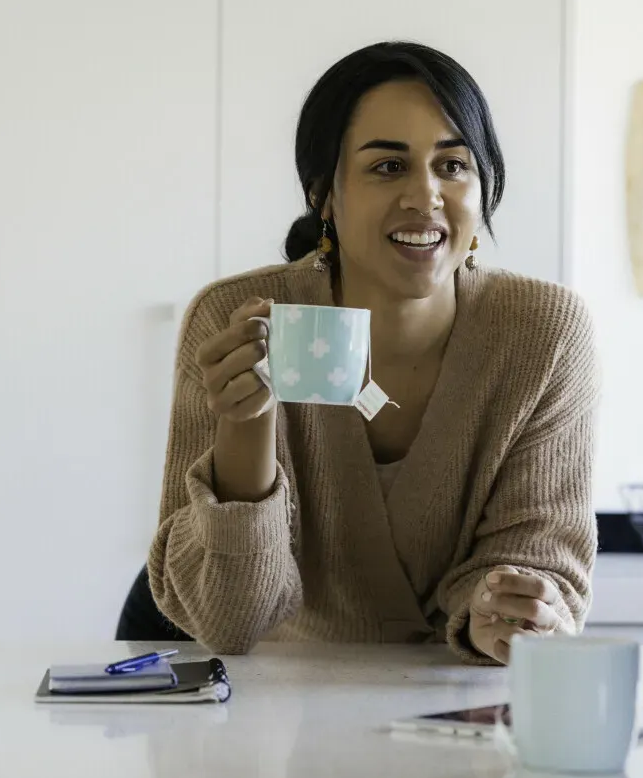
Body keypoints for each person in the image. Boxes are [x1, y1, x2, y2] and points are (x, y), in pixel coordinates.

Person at [148, 41, 599, 664]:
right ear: (323, 195)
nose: (426, 196)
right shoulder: (233, 322)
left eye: (453, 165)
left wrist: (507, 610)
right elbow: (231, 620)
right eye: (388, 167)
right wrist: (244, 427)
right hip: (277, 725)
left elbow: (537, 554)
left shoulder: (542, 332)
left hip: (461, 709)